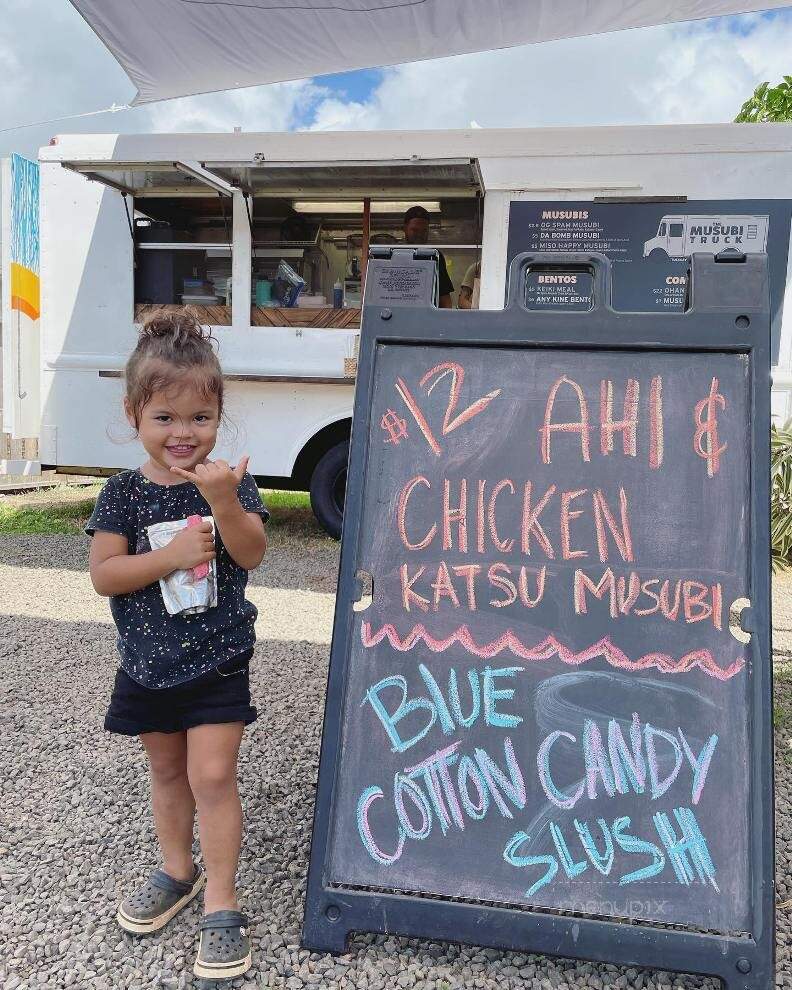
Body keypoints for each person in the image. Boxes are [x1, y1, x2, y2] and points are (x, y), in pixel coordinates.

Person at [84, 310, 269, 981]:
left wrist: (222, 505)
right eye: (165, 418)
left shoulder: (229, 481)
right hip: (146, 667)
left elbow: (251, 553)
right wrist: (167, 559)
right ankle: (177, 870)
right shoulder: (122, 495)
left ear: (218, 416)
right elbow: (105, 575)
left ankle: (222, 898)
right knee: (166, 774)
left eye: (199, 418)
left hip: (217, 661)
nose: (183, 434)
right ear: (135, 413)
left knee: (212, 777)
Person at [403, 205, 454, 308]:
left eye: (424, 231)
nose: (419, 234)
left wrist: (446, 320)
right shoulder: (391, 254)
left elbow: (444, 297)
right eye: (415, 230)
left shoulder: (435, 256)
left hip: (427, 316)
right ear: (405, 229)